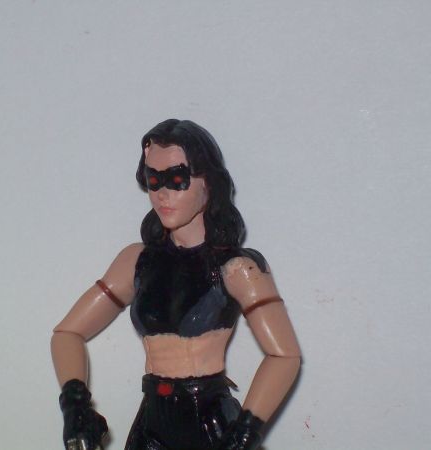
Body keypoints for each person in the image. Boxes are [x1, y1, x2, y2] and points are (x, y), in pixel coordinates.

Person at [51, 119, 301, 450]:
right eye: (154, 180)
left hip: (209, 422)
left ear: (209, 182)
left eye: (177, 179)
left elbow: (285, 356)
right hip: (152, 419)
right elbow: (67, 333)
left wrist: (245, 433)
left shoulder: (236, 269)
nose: (163, 194)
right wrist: (75, 405)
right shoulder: (137, 261)